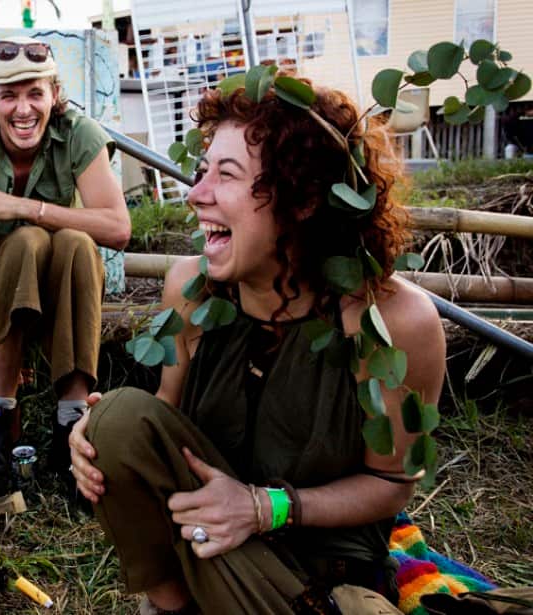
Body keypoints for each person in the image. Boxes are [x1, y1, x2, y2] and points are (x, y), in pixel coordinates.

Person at [68, 79, 447, 613]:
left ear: (306, 198)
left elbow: (391, 482)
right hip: (206, 548)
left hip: (317, 578)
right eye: (204, 172)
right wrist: (97, 443)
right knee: (120, 416)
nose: (196, 194)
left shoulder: (391, 321)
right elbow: (165, 428)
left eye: (227, 175)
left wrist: (264, 507)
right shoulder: (191, 289)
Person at [0, 36, 129, 498]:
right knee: (23, 242)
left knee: (76, 242)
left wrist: (20, 205)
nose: (23, 109)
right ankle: (0, 421)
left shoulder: (79, 133)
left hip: (69, 280)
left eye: (35, 93)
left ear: (55, 95)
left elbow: (118, 229)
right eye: (9, 95)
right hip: (8, 282)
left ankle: (72, 427)